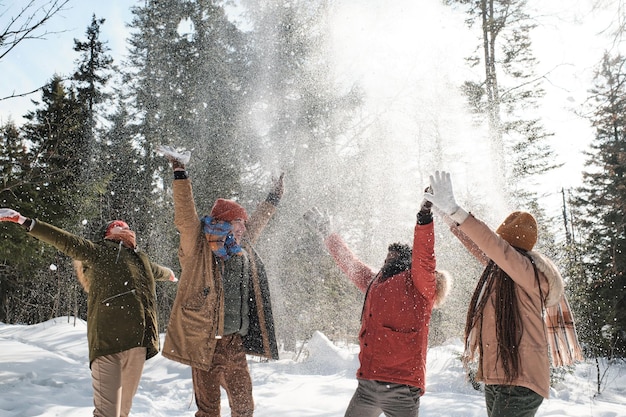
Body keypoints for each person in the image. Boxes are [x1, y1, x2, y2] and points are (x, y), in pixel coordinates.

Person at [423, 170, 583, 417]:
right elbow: (477, 245)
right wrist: (446, 215)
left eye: (502, 245)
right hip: (500, 377)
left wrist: (456, 210)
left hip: (522, 380)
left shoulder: (527, 272)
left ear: (510, 247)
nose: (497, 251)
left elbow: (491, 245)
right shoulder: (501, 270)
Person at [0, 209, 177, 417]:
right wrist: (25, 222)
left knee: (123, 412)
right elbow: (65, 240)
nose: (124, 227)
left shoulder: (141, 259)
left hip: (138, 343)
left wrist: (171, 275)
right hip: (107, 343)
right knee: (107, 413)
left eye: (126, 225)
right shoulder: (98, 252)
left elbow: (159, 271)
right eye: (117, 225)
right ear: (107, 234)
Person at [157, 145, 281, 417]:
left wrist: (274, 197)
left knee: (245, 408)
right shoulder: (198, 247)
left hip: (234, 343)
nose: (244, 228)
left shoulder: (241, 248)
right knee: (209, 411)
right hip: (206, 344)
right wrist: (180, 171)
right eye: (239, 222)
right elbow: (186, 216)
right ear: (224, 223)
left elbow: (258, 221)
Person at [303, 196, 451, 417]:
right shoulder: (377, 282)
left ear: (404, 261)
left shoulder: (419, 284)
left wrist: (424, 219)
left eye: (391, 258)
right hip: (368, 384)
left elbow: (425, 257)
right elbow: (351, 264)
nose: (385, 262)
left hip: (402, 387)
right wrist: (327, 233)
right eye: (385, 258)